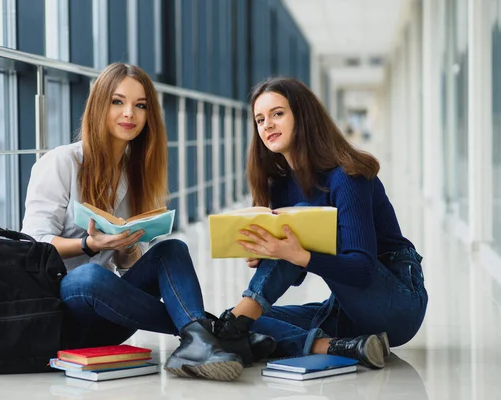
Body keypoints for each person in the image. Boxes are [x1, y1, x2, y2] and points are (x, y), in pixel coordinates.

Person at [21, 62, 259, 381]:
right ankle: (213, 333)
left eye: (140, 105)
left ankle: (199, 337)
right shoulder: (62, 162)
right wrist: (88, 244)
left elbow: (125, 266)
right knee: (90, 276)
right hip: (65, 314)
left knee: (171, 249)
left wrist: (127, 246)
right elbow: (32, 245)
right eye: (117, 102)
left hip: (112, 317)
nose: (129, 113)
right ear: (98, 106)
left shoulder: (135, 174)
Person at [212, 77, 428, 369]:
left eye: (277, 114)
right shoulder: (280, 185)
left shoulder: (347, 174)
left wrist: (292, 252)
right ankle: (342, 348)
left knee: (239, 318)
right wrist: (270, 253)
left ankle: (234, 322)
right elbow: (297, 274)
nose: (267, 125)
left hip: (396, 303)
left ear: (302, 116)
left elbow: (362, 270)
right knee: (248, 322)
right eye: (260, 119)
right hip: (346, 310)